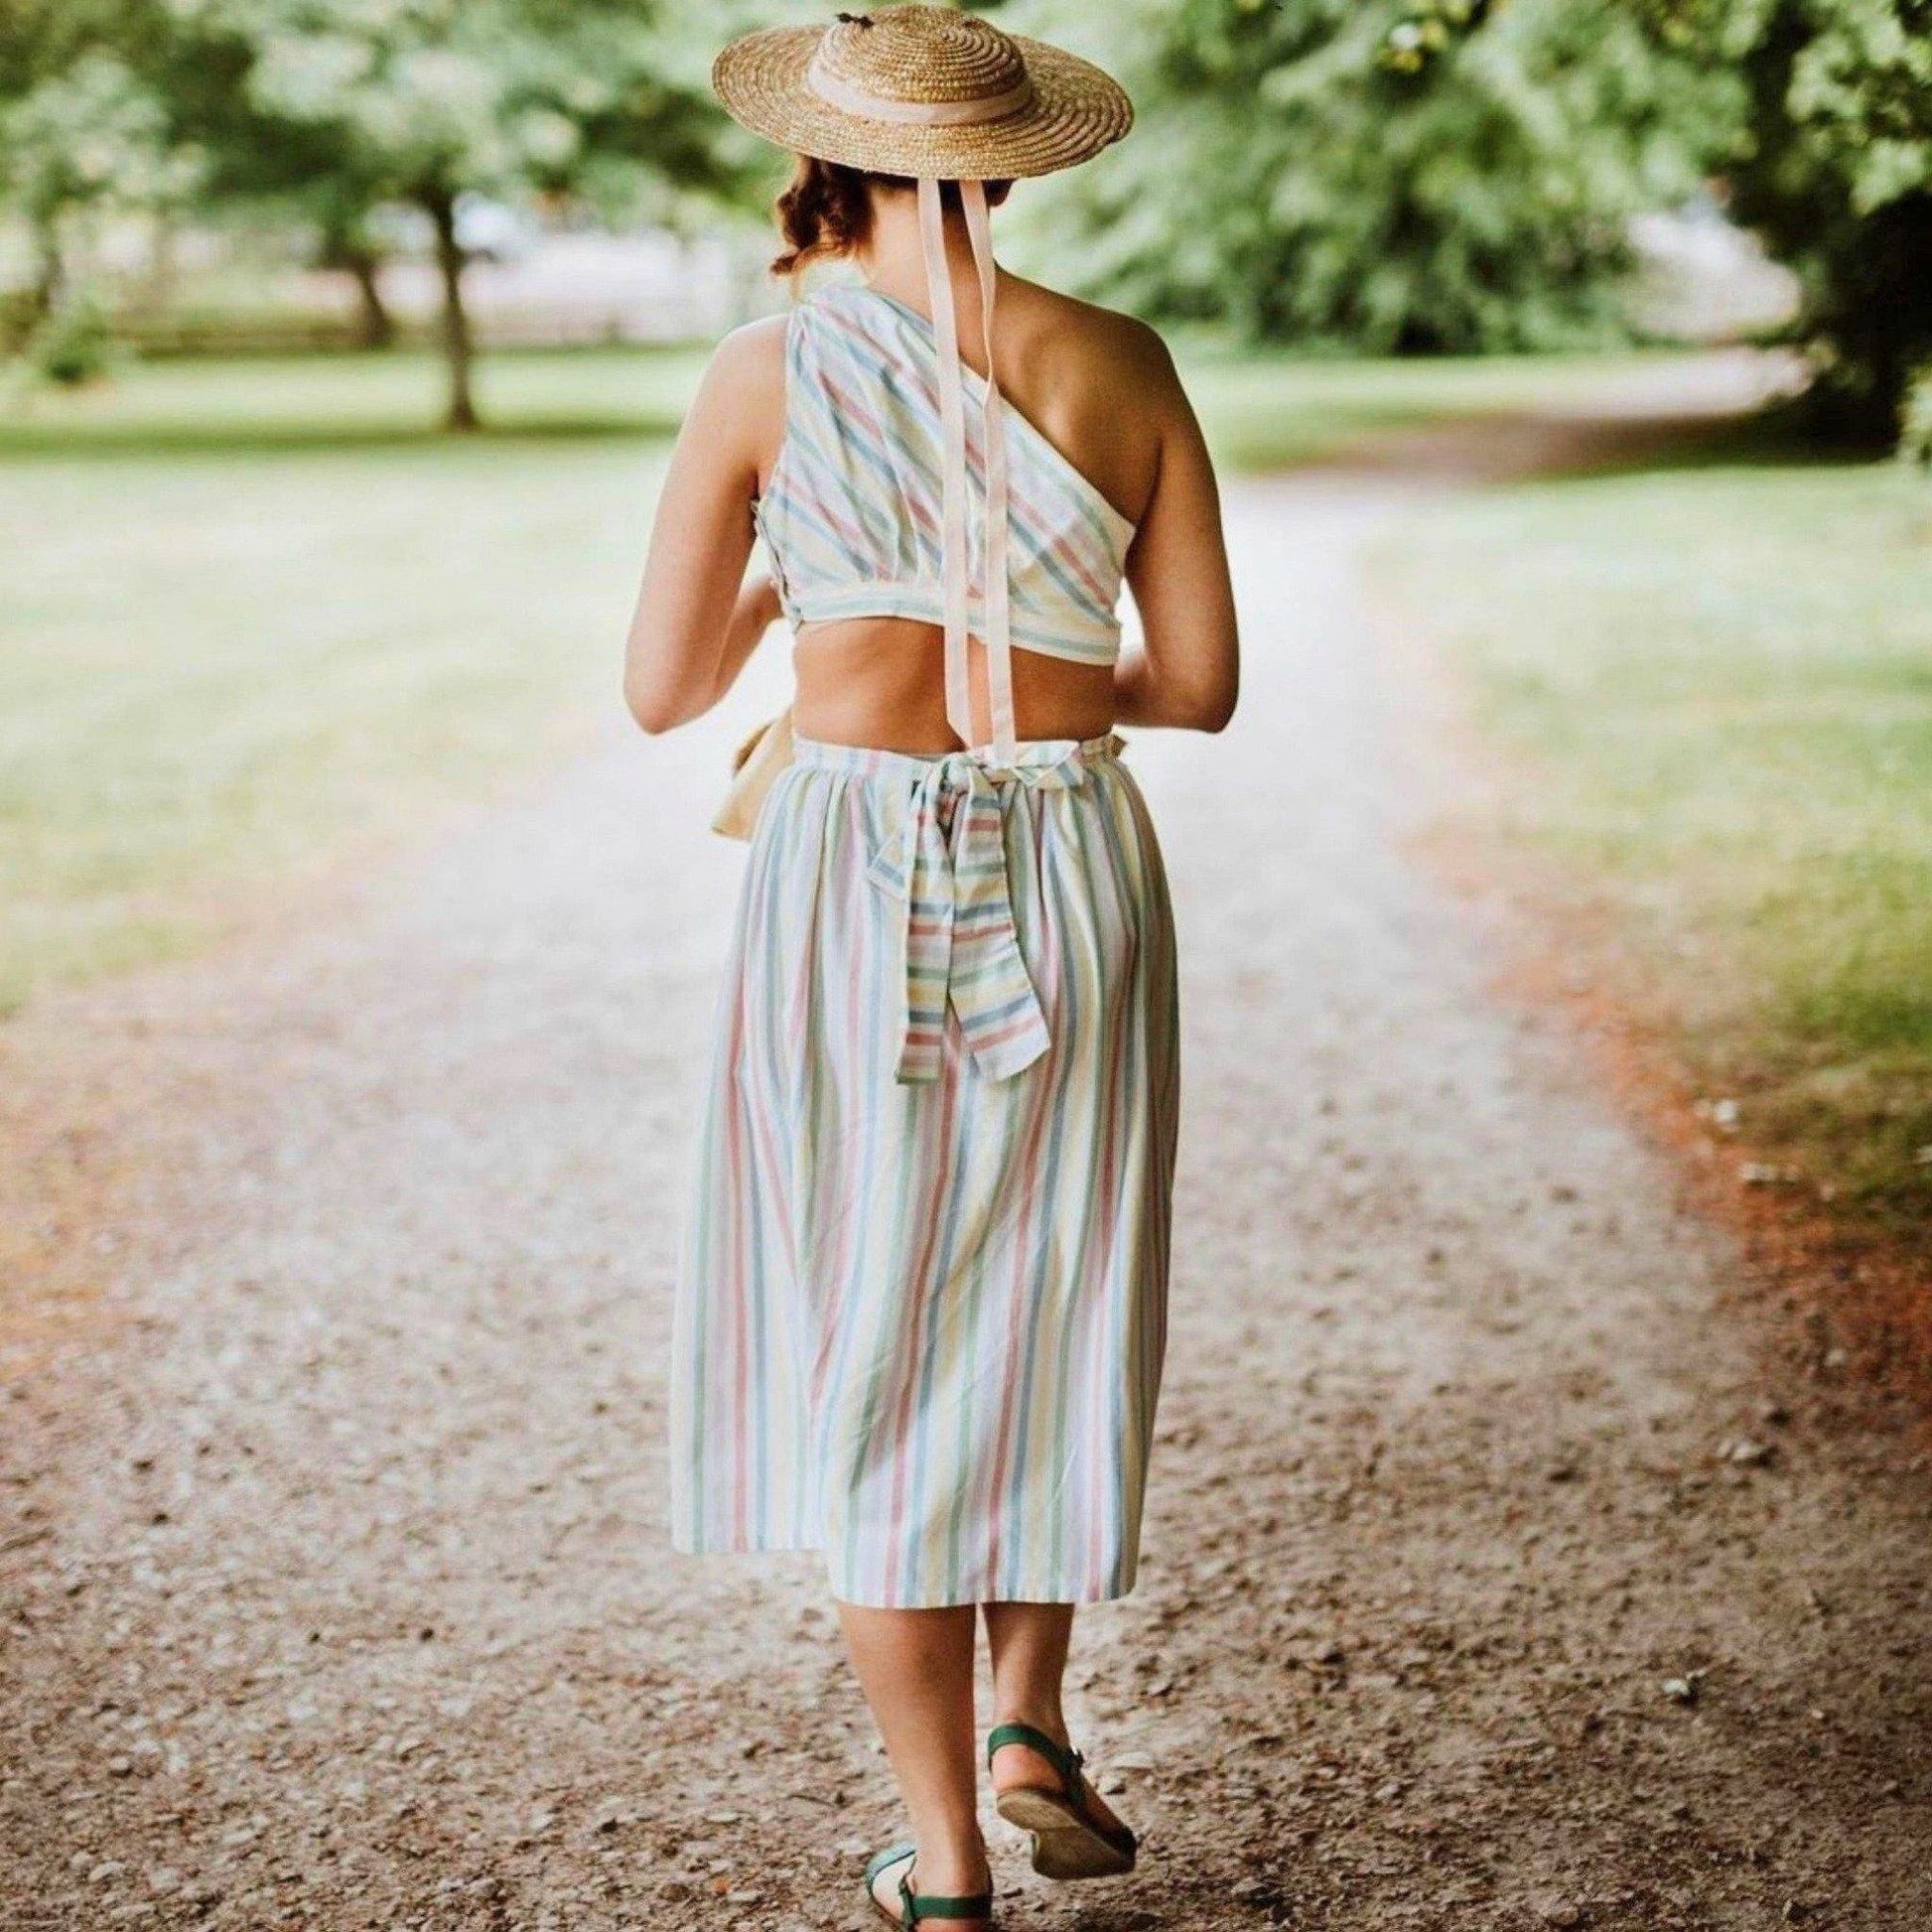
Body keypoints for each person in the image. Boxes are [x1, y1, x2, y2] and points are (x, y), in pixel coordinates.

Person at [623, 8, 1237, 1925]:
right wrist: (1047, 664)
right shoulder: (1118, 363)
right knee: (1047, 1299)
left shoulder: (765, 372)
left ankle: (946, 1858)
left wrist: (811, 570)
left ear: (820, 164)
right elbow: (1198, 686)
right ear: (1006, 161)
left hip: (851, 874)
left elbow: (665, 690)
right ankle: (1031, 1715)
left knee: (868, 1331)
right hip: (1066, 850)